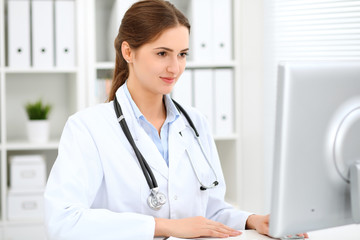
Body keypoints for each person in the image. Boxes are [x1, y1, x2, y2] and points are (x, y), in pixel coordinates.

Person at [44, 0, 273, 239]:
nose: (174, 68)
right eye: (162, 53)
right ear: (128, 52)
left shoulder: (195, 123)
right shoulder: (87, 128)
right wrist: (164, 226)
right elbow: (63, 221)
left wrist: (251, 220)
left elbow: (210, 213)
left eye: (182, 54)